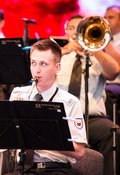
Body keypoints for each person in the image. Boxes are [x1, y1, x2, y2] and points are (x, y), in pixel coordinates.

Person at [0, 39, 87, 175]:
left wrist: (42, 135)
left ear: (57, 68)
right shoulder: (18, 93)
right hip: (23, 168)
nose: (36, 70)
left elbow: (79, 152)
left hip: (55, 168)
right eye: (33, 63)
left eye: (43, 64)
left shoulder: (70, 102)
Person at [55, 14, 120, 175]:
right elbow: (38, 73)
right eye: (71, 29)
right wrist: (61, 51)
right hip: (61, 117)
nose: (75, 33)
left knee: (113, 133)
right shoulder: (58, 57)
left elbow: (114, 72)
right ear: (66, 32)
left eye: (79, 30)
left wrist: (94, 48)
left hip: (91, 119)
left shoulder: (97, 57)